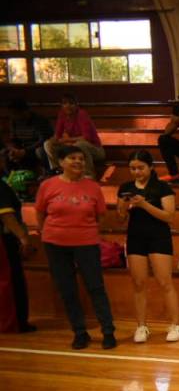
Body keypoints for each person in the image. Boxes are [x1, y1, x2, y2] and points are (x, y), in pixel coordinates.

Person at [34, 145, 116, 349]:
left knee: (96, 288)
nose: (78, 161)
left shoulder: (93, 187)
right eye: (72, 158)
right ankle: (80, 332)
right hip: (55, 244)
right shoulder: (48, 185)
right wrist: (44, 231)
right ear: (61, 162)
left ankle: (108, 331)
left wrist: (90, 232)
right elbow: (40, 212)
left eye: (81, 158)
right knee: (67, 290)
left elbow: (101, 216)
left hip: (86, 243)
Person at [115, 150, 179, 343]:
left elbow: (169, 216)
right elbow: (120, 219)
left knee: (164, 281)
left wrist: (144, 205)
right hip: (136, 237)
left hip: (158, 237)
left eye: (140, 167)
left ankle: (176, 325)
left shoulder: (162, 187)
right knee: (138, 283)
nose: (136, 172)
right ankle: (141, 326)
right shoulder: (126, 187)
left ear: (150, 167)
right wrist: (121, 210)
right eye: (132, 168)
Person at [43, 94, 106, 179]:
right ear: (61, 105)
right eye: (65, 103)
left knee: (80, 145)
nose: (68, 106)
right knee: (48, 144)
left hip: (95, 149)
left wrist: (66, 140)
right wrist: (53, 141)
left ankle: (88, 175)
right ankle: (58, 170)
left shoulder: (82, 114)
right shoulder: (62, 114)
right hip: (73, 146)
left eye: (71, 103)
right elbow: (57, 135)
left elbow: (86, 138)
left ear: (76, 105)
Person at [0, 176, 34, 332]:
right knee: (10, 281)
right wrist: (23, 237)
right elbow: (6, 216)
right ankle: (13, 323)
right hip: (4, 241)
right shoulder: (1, 187)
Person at [3, 98, 52, 176]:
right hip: (21, 148)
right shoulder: (14, 121)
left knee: (40, 151)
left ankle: (48, 174)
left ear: (25, 111)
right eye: (12, 113)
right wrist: (14, 150)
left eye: (16, 113)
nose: (14, 115)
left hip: (36, 148)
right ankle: (10, 178)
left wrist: (24, 151)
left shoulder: (39, 120)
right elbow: (14, 139)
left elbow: (43, 140)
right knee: (6, 153)